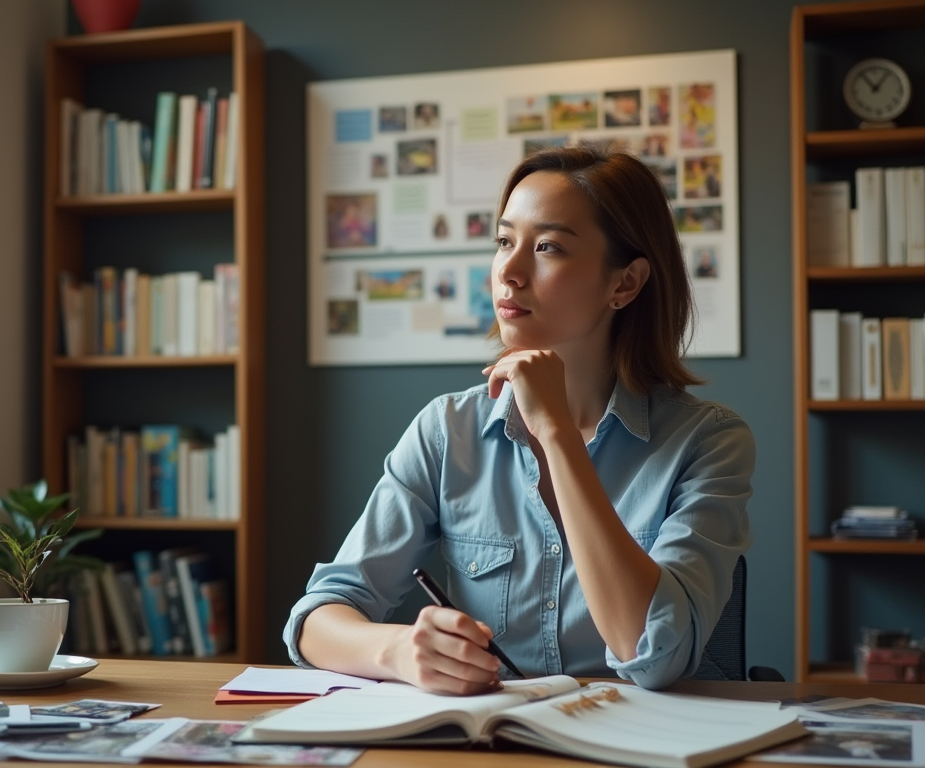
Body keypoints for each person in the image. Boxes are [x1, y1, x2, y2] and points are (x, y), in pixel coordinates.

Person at [285, 146, 753, 694]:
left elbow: (653, 652)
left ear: (624, 283)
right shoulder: (447, 430)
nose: (509, 270)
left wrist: (557, 434)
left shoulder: (709, 443)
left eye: (548, 247)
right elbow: (317, 617)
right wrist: (399, 652)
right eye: (504, 241)